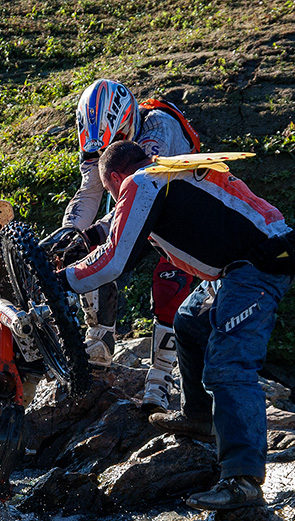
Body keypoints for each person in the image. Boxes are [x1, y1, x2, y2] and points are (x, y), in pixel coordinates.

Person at [58, 141, 294, 511]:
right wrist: (82, 241)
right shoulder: (163, 172)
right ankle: (199, 418)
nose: (114, 200)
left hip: (259, 267)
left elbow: (113, 263)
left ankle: (243, 480)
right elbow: (119, 225)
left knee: (229, 364)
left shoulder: (142, 182)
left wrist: (59, 280)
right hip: (240, 266)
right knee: (188, 320)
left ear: (115, 178)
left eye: (109, 192)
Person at [59, 78, 196, 413]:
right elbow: (89, 192)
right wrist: (69, 234)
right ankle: (99, 339)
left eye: (117, 142)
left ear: (129, 122)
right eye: (99, 150)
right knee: (81, 248)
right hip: (137, 205)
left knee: (169, 285)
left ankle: (161, 380)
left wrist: (97, 230)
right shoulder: (99, 141)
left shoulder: (158, 130)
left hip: (181, 208)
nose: (105, 153)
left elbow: (147, 190)